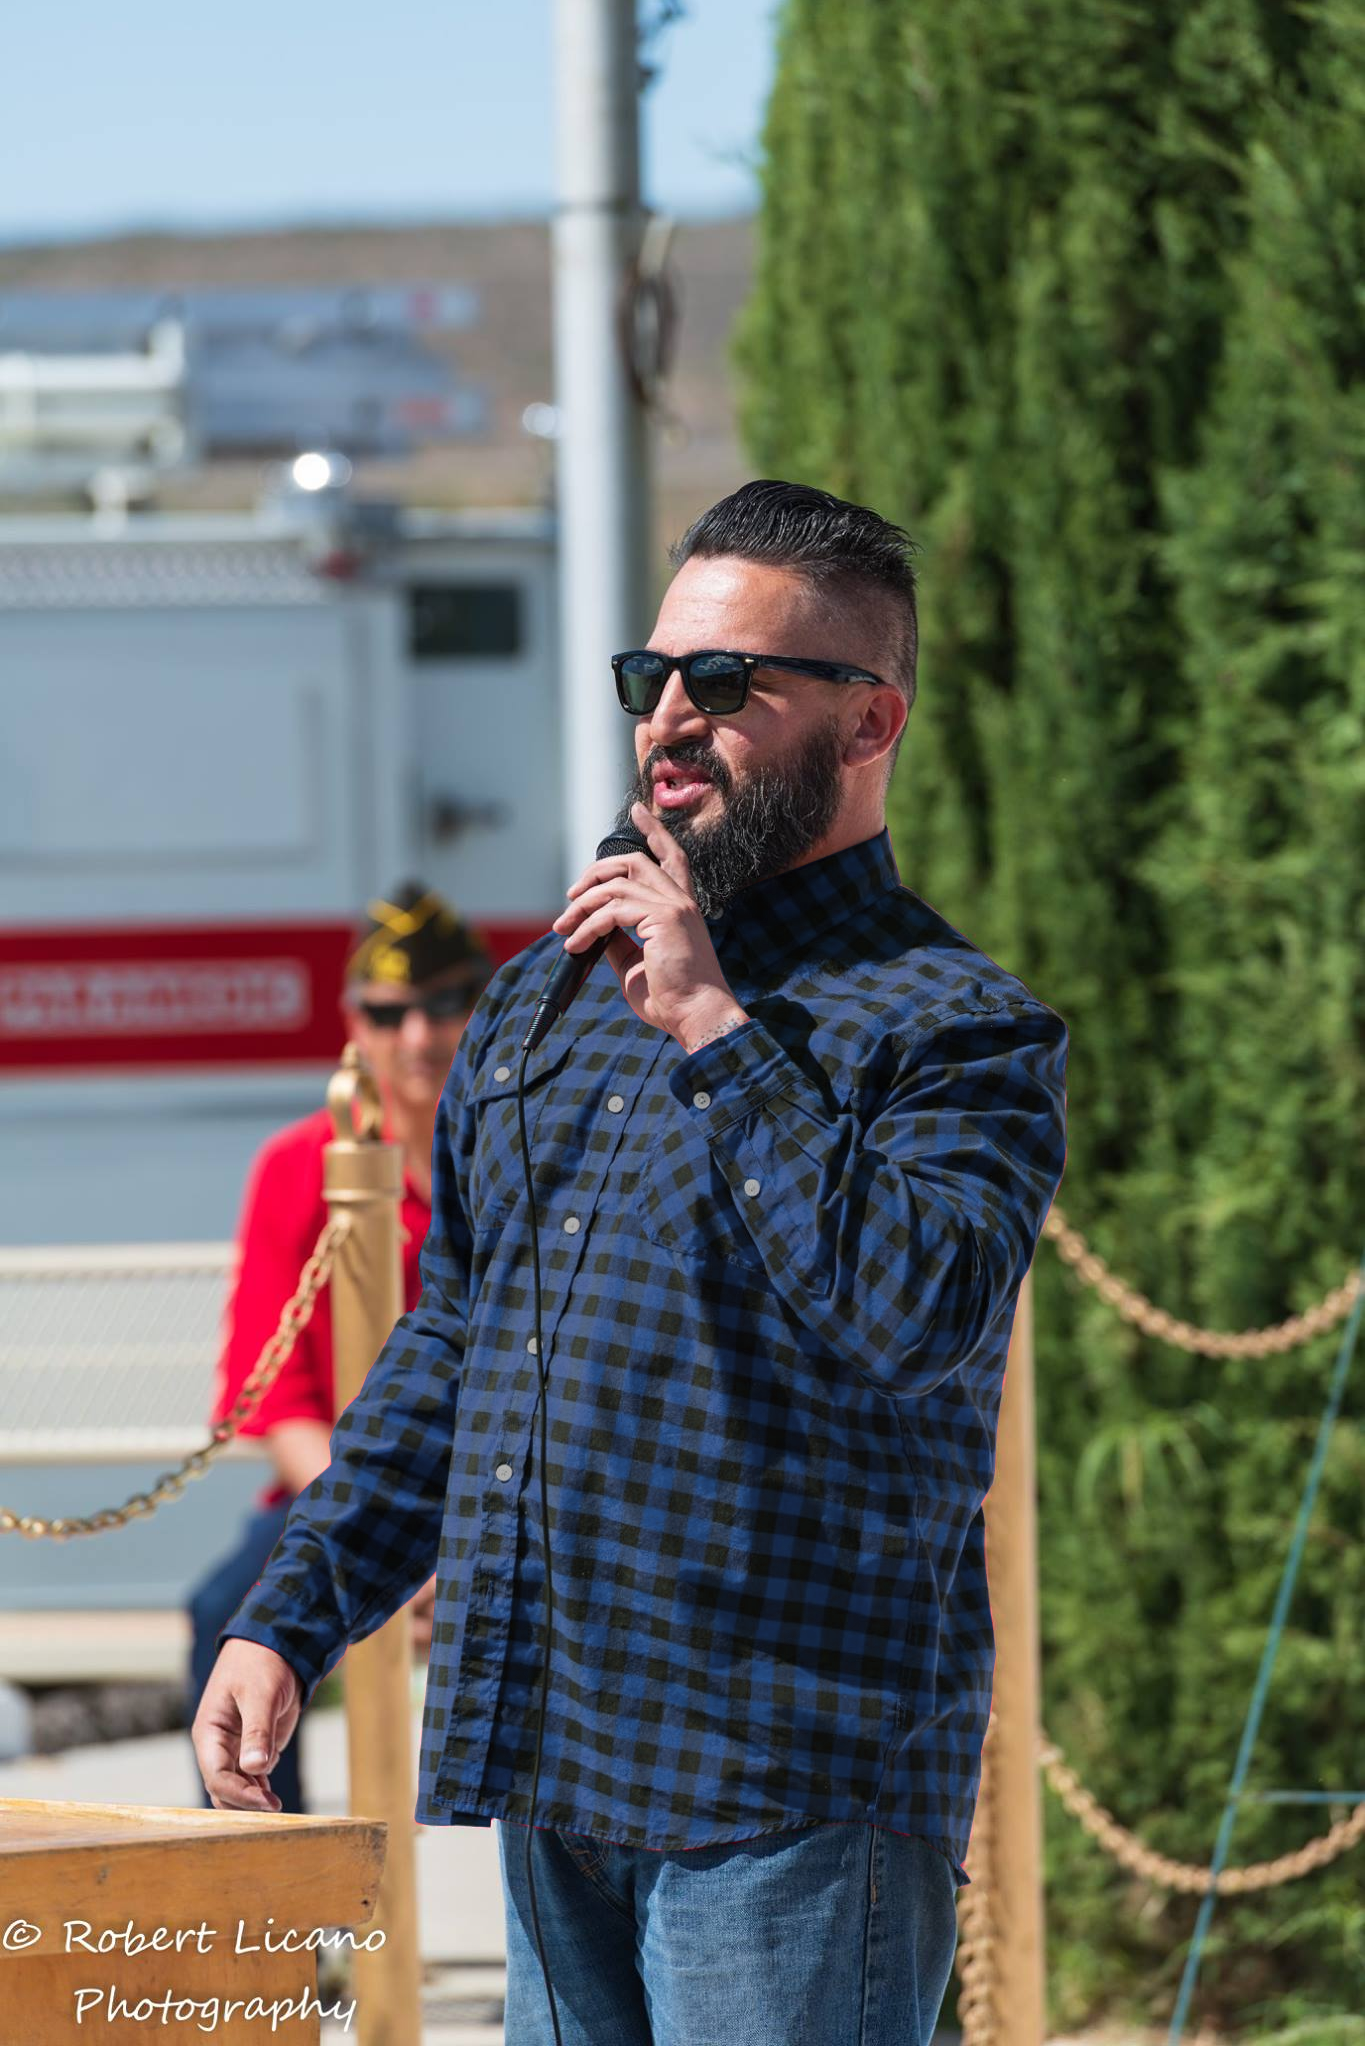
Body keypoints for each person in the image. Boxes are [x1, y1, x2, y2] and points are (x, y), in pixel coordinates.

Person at [193, 480, 1069, 2045]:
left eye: (725, 683)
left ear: (869, 723)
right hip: (556, 1767)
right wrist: (289, 1615)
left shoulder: (955, 1026)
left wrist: (718, 1031)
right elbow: (458, 1348)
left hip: (790, 1792)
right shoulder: (545, 999)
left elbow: (915, 1314)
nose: (669, 719)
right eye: (650, 675)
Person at [186, 882, 493, 1812]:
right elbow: (274, 1399)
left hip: (508, 1488)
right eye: (389, 1013)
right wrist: (381, 1536)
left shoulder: (519, 1149)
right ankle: (262, 1885)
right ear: (354, 1023)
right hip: (339, 1485)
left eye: (445, 1003)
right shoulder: (298, 1166)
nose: (418, 1036)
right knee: (224, 1617)